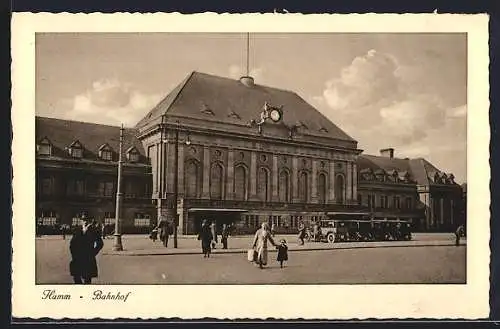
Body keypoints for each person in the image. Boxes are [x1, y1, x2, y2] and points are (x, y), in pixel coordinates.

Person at [69, 216, 104, 284]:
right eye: (83, 220)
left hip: (88, 257)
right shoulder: (77, 230)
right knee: (76, 277)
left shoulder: (94, 231)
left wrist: (93, 253)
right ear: (81, 221)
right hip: (77, 257)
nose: (85, 222)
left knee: (87, 278)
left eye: (86, 220)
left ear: (90, 221)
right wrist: (73, 254)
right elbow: (72, 243)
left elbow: (100, 243)